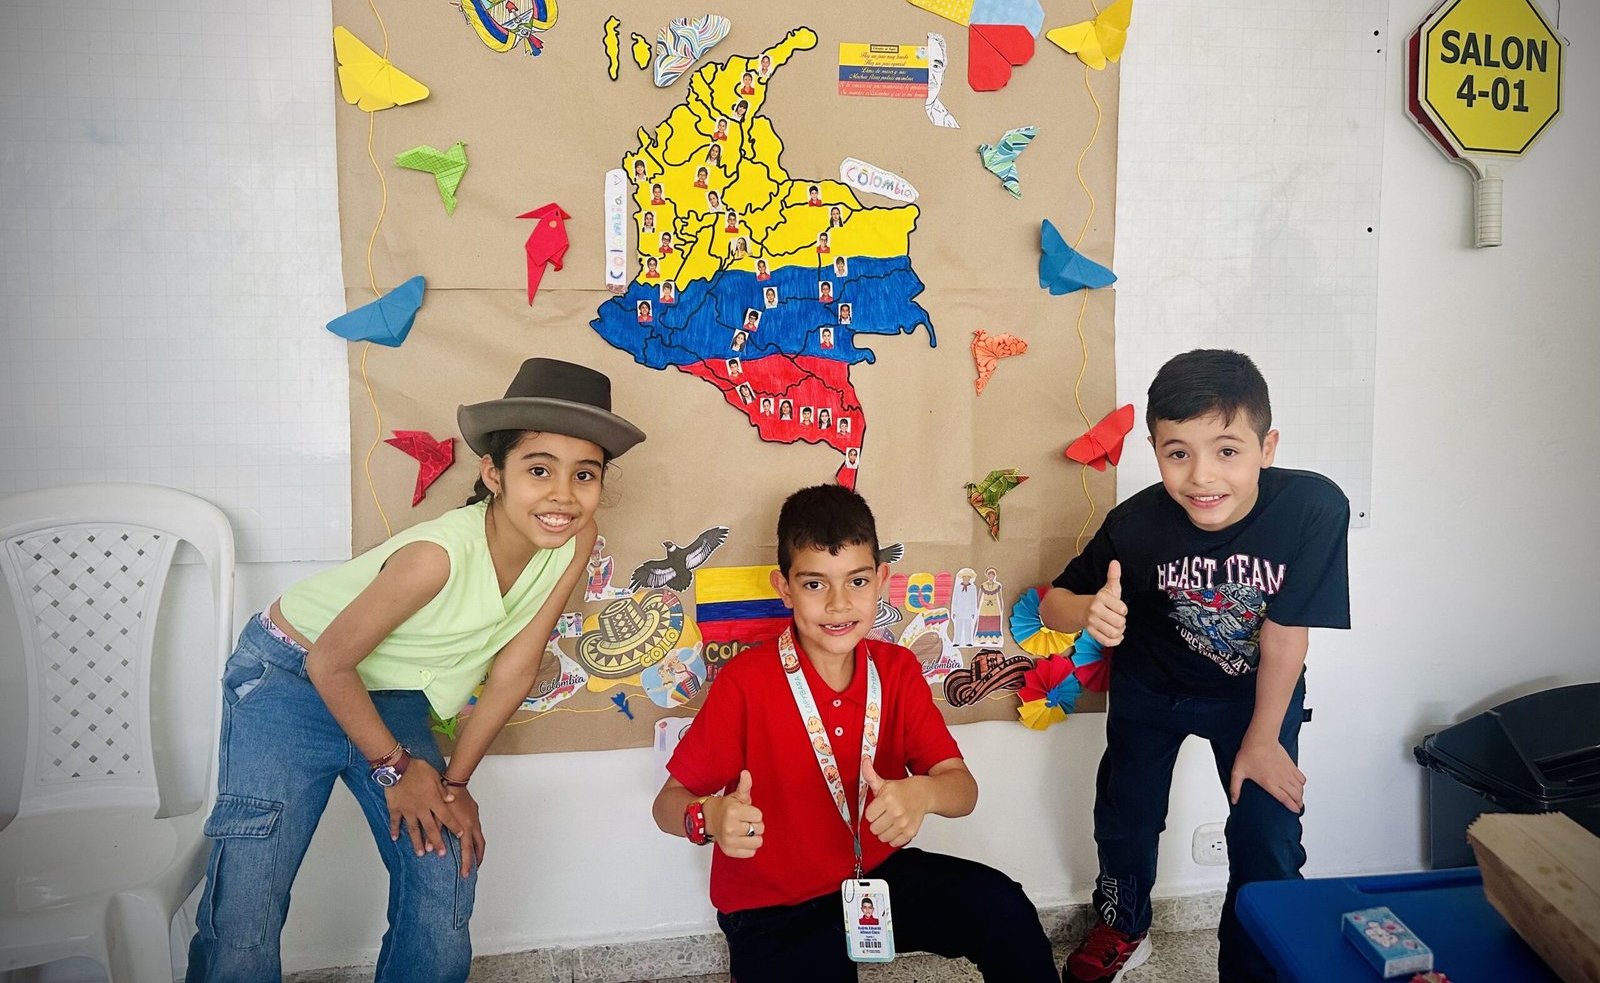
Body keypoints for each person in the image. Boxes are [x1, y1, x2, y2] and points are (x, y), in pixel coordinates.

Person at [186, 360, 645, 983]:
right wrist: (396, 769)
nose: (563, 494)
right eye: (539, 470)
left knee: (444, 858)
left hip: (391, 693)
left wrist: (453, 784)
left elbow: (516, 668)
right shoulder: (436, 557)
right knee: (251, 890)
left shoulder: (575, 538)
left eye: (584, 474)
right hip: (290, 680)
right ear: (494, 474)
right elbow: (328, 661)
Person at [651, 486, 1057, 983]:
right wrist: (708, 817)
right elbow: (667, 803)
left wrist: (923, 793)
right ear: (785, 588)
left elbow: (962, 789)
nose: (839, 604)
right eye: (814, 584)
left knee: (1001, 908)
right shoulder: (745, 682)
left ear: (881, 580)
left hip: (873, 877)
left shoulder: (898, 670)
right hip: (771, 907)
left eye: (857, 581)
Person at [1041, 349, 1350, 983]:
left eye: (1227, 450)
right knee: (1126, 817)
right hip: (1151, 689)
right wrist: (1089, 611)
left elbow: (1286, 635)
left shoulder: (1312, 509)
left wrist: (1263, 739)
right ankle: (1124, 924)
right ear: (1154, 450)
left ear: (1267, 448)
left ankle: (1257, 965)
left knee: (1267, 835)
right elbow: (1053, 602)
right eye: (1177, 452)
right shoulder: (1135, 523)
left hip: (1255, 696)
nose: (1202, 476)